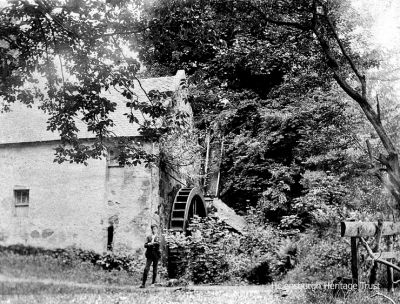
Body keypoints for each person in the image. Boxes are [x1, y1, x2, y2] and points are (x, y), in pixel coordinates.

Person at [140, 224, 161, 288]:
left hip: (156, 255)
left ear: (157, 229)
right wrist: (149, 244)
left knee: (155, 269)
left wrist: (151, 244)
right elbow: (145, 245)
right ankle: (143, 284)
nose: (154, 230)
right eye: (153, 229)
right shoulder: (149, 237)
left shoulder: (159, 237)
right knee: (146, 269)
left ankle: (153, 283)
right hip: (149, 255)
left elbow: (158, 244)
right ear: (151, 229)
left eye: (155, 229)